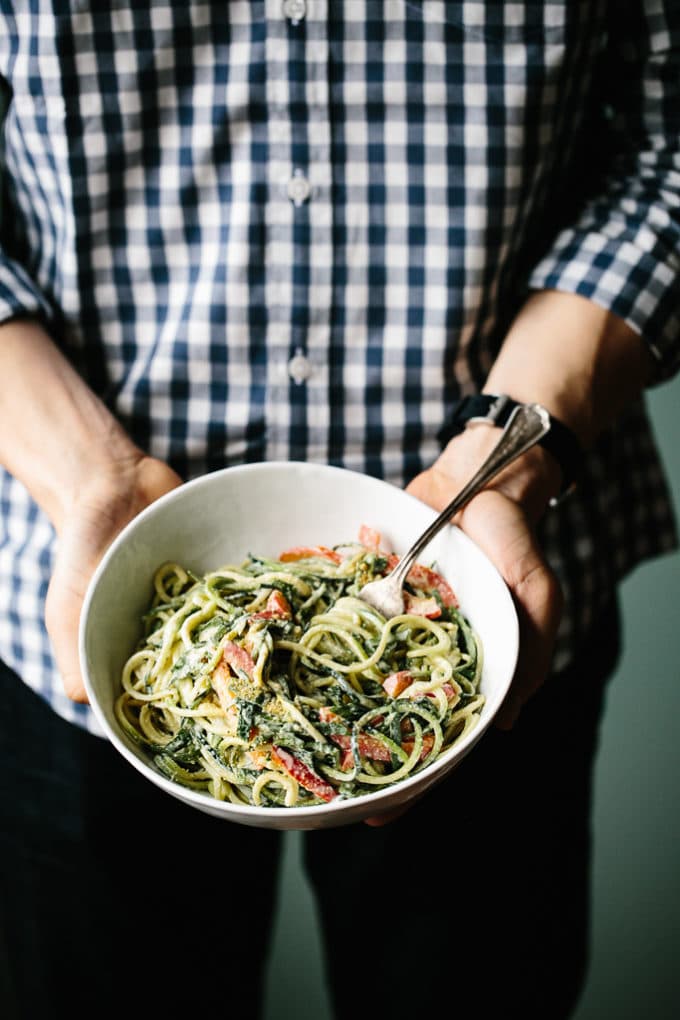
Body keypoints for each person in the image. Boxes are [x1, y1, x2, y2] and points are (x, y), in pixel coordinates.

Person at [0, 3, 678, 1018]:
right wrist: (83, 474)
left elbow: (664, 150)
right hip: (67, 576)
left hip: (499, 576)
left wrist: (499, 460)